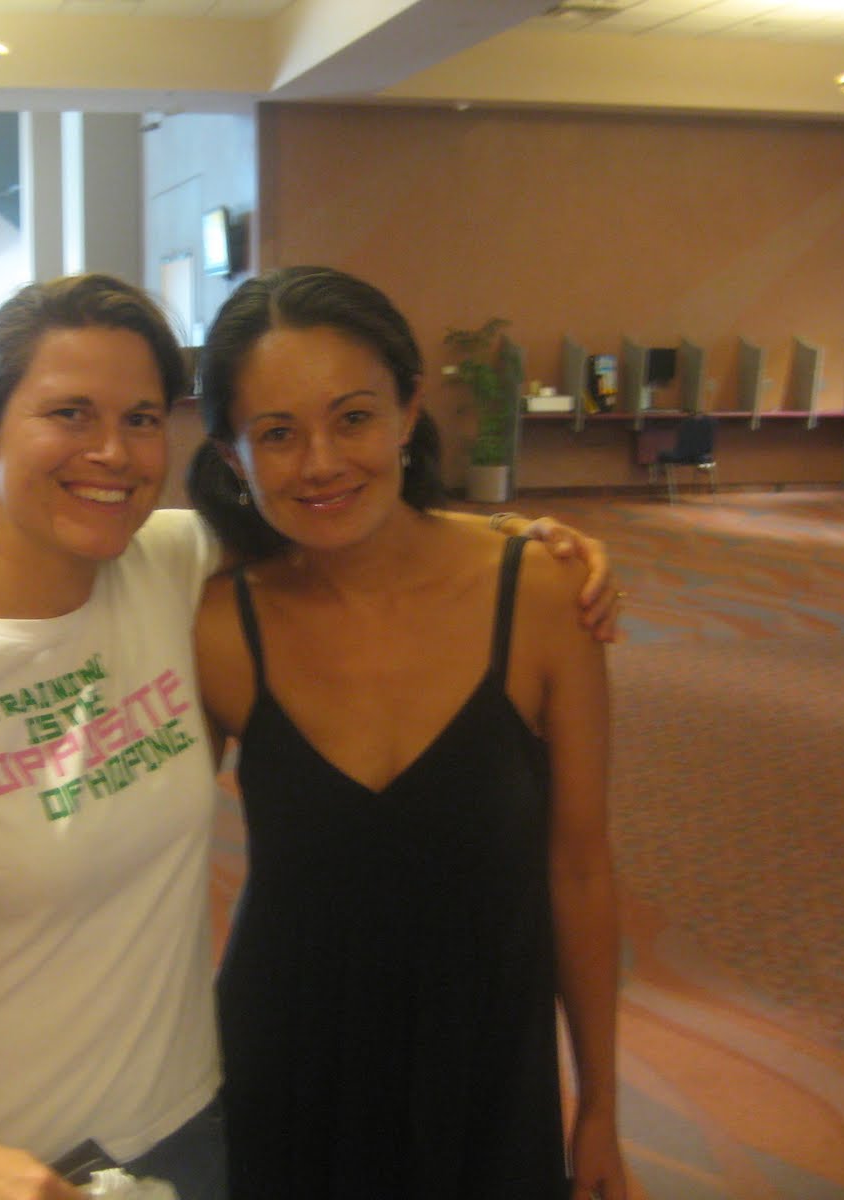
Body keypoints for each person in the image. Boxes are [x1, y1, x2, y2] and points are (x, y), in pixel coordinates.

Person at [0, 273, 620, 1200]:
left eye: (140, 419)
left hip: (191, 1128)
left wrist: (523, 539)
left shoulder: (167, 566)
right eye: (69, 413)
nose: (111, 452)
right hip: (5, 1164)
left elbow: (345, 517)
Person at [187, 266, 627, 1200]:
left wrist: (599, 1105)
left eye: (353, 418)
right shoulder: (221, 625)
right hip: (288, 1062)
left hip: (487, 1064)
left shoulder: (540, 595)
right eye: (277, 434)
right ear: (232, 455)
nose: (320, 463)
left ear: (408, 411)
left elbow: (582, 870)